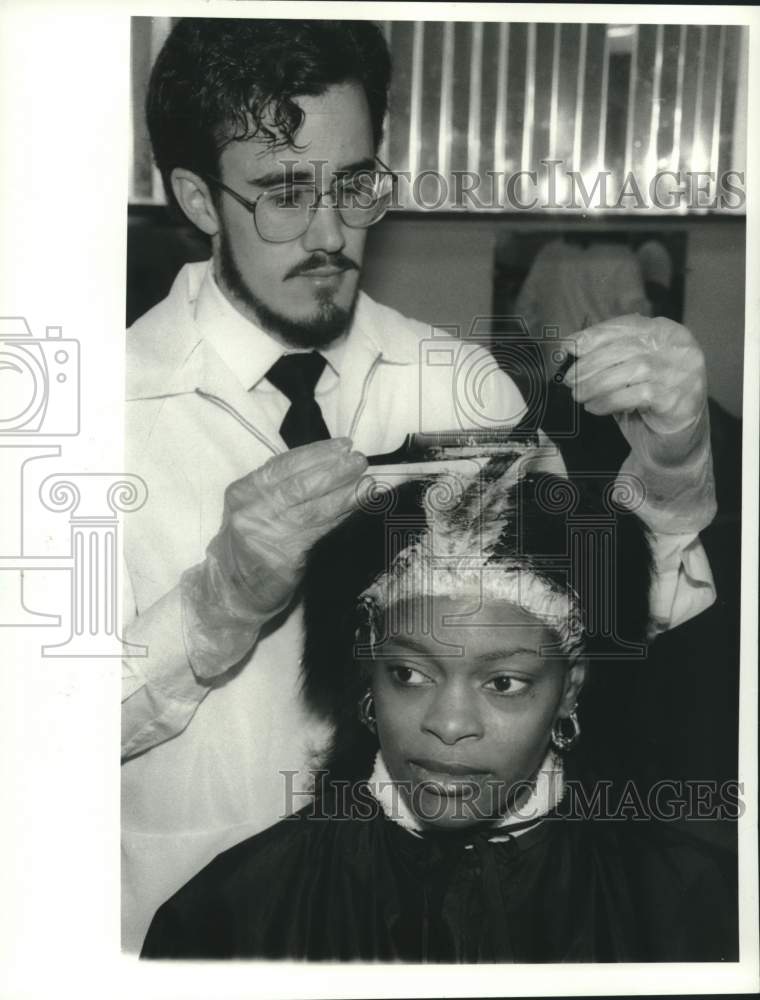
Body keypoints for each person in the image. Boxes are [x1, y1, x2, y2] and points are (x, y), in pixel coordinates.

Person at [122, 18, 718, 951]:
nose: (331, 233)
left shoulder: (461, 381)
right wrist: (212, 609)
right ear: (197, 198)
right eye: (283, 192)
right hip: (194, 930)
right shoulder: (78, 421)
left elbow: (587, 620)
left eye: (355, 186)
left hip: (443, 916)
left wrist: (672, 468)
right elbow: (25, 741)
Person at [140, 461, 737, 962]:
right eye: (409, 674)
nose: (448, 725)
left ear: (570, 687)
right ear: (368, 673)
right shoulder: (230, 917)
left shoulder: (692, 906)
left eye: (504, 682)